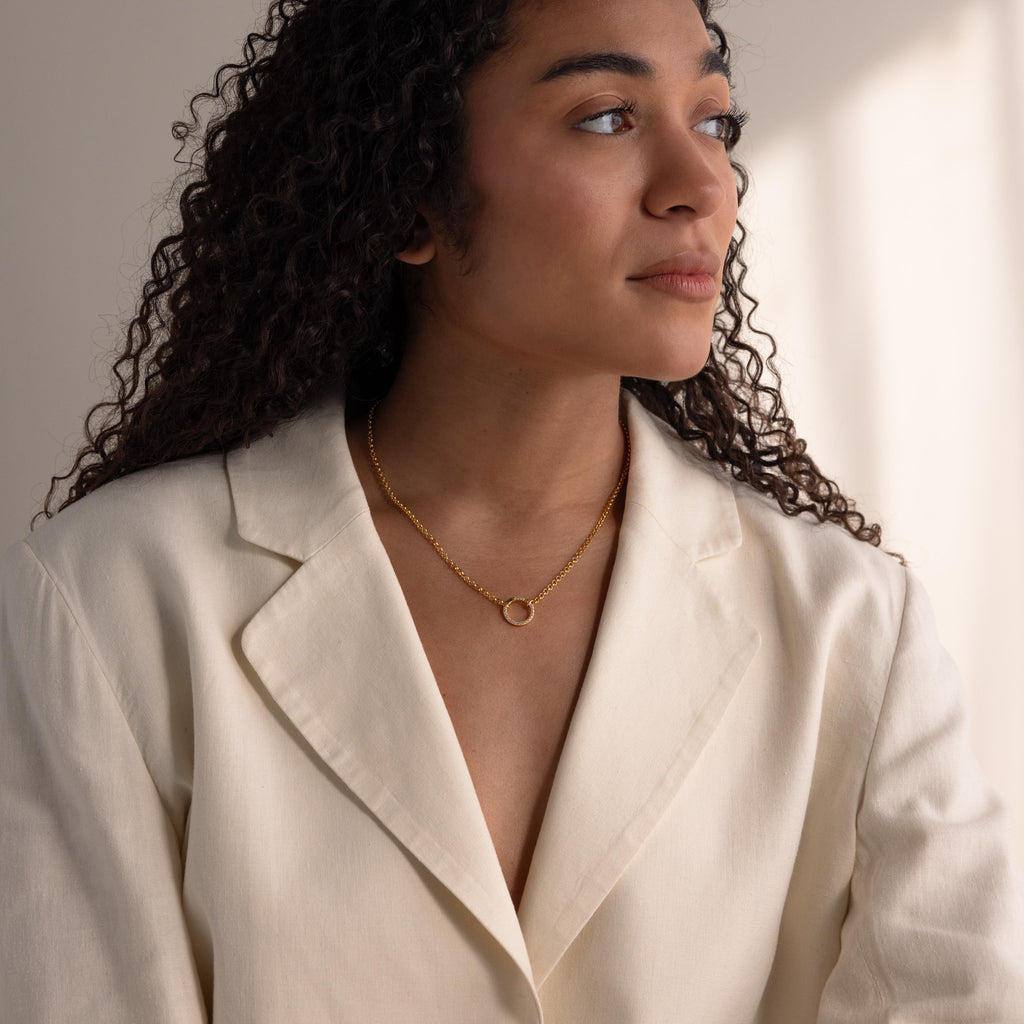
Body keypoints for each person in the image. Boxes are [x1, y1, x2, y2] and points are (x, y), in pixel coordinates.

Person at [2, 0, 1022, 1020]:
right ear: (410, 197)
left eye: (714, 120)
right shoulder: (109, 597)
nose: (701, 184)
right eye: (607, 116)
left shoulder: (853, 623)